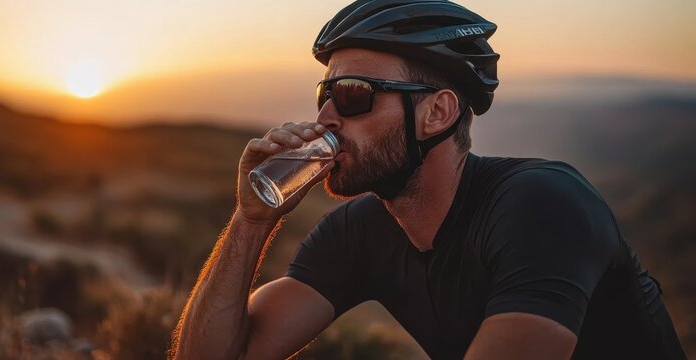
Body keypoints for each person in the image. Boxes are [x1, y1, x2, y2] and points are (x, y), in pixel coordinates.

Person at [170, 1, 687, 359]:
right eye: (323, 95)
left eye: (352, 94)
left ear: (437, 113)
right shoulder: (360, 232)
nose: (326, 117)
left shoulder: (543, 206)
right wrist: (251, 220)